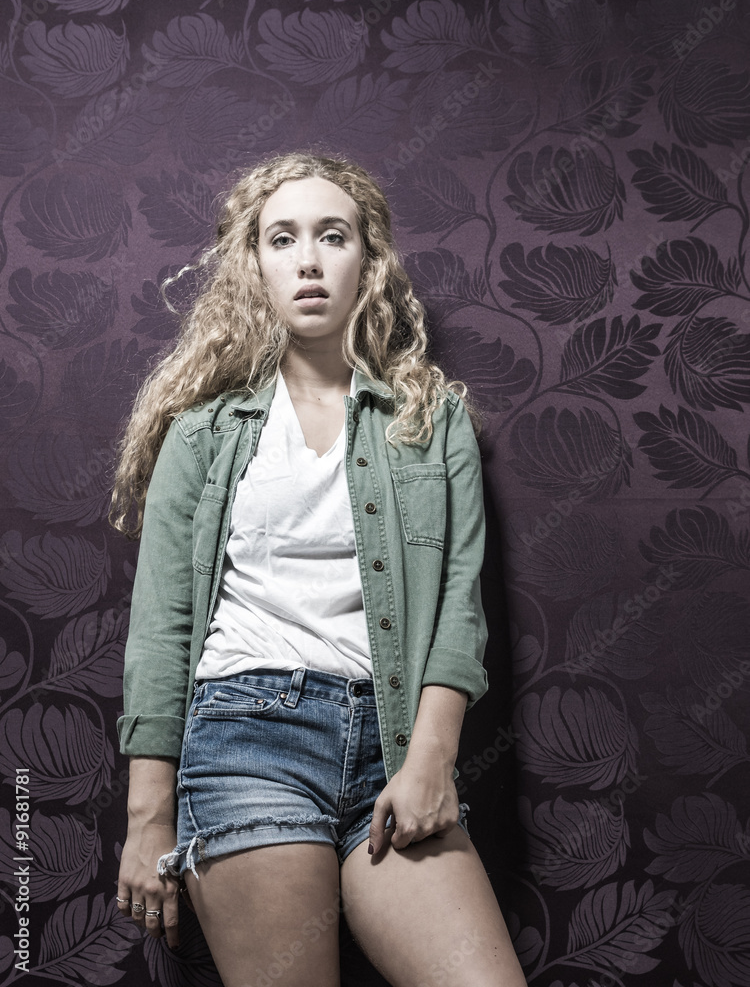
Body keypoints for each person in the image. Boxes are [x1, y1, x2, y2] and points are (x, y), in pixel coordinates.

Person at [110, 151, 527, 987]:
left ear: (368, 261)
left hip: (395, 745)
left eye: (332, 236)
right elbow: (160, 630)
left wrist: (431, 760)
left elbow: (459, 605)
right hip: (246, 741)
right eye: (282, 239)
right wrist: (148, 817)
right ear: (253, 265)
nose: (308, 260)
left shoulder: (431, 419)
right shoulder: (202, 433)